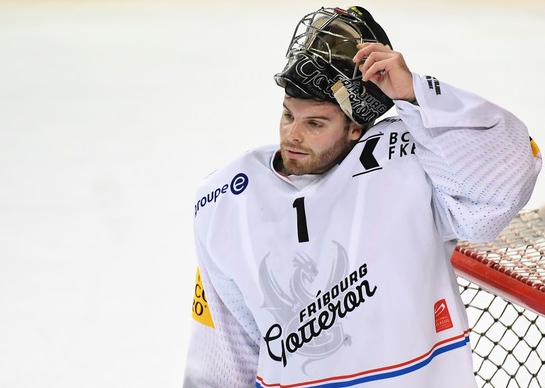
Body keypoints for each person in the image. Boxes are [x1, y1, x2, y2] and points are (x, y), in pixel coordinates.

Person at [183, 6, 541, 388]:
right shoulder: (225, 199)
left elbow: (504, 187)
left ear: (355, 127)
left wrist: (416, 95)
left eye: (315, 123)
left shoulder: (412, 157)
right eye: (288, 115)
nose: (293, 136)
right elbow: (223, 350)